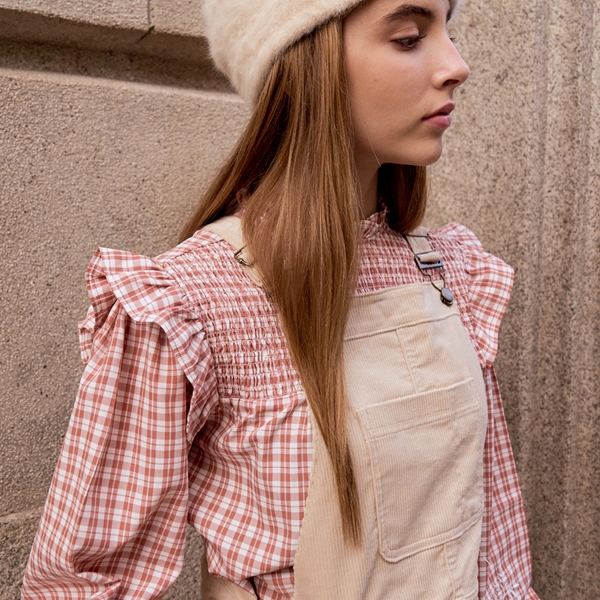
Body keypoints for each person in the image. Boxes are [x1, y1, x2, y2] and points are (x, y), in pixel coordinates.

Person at [22, 0, 539, 598]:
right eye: (407, 36)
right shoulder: (194, 301)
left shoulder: (449, 274)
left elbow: (492, 539)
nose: (456, 65)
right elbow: (83, 582)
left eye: (450, 31)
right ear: (305, 64)